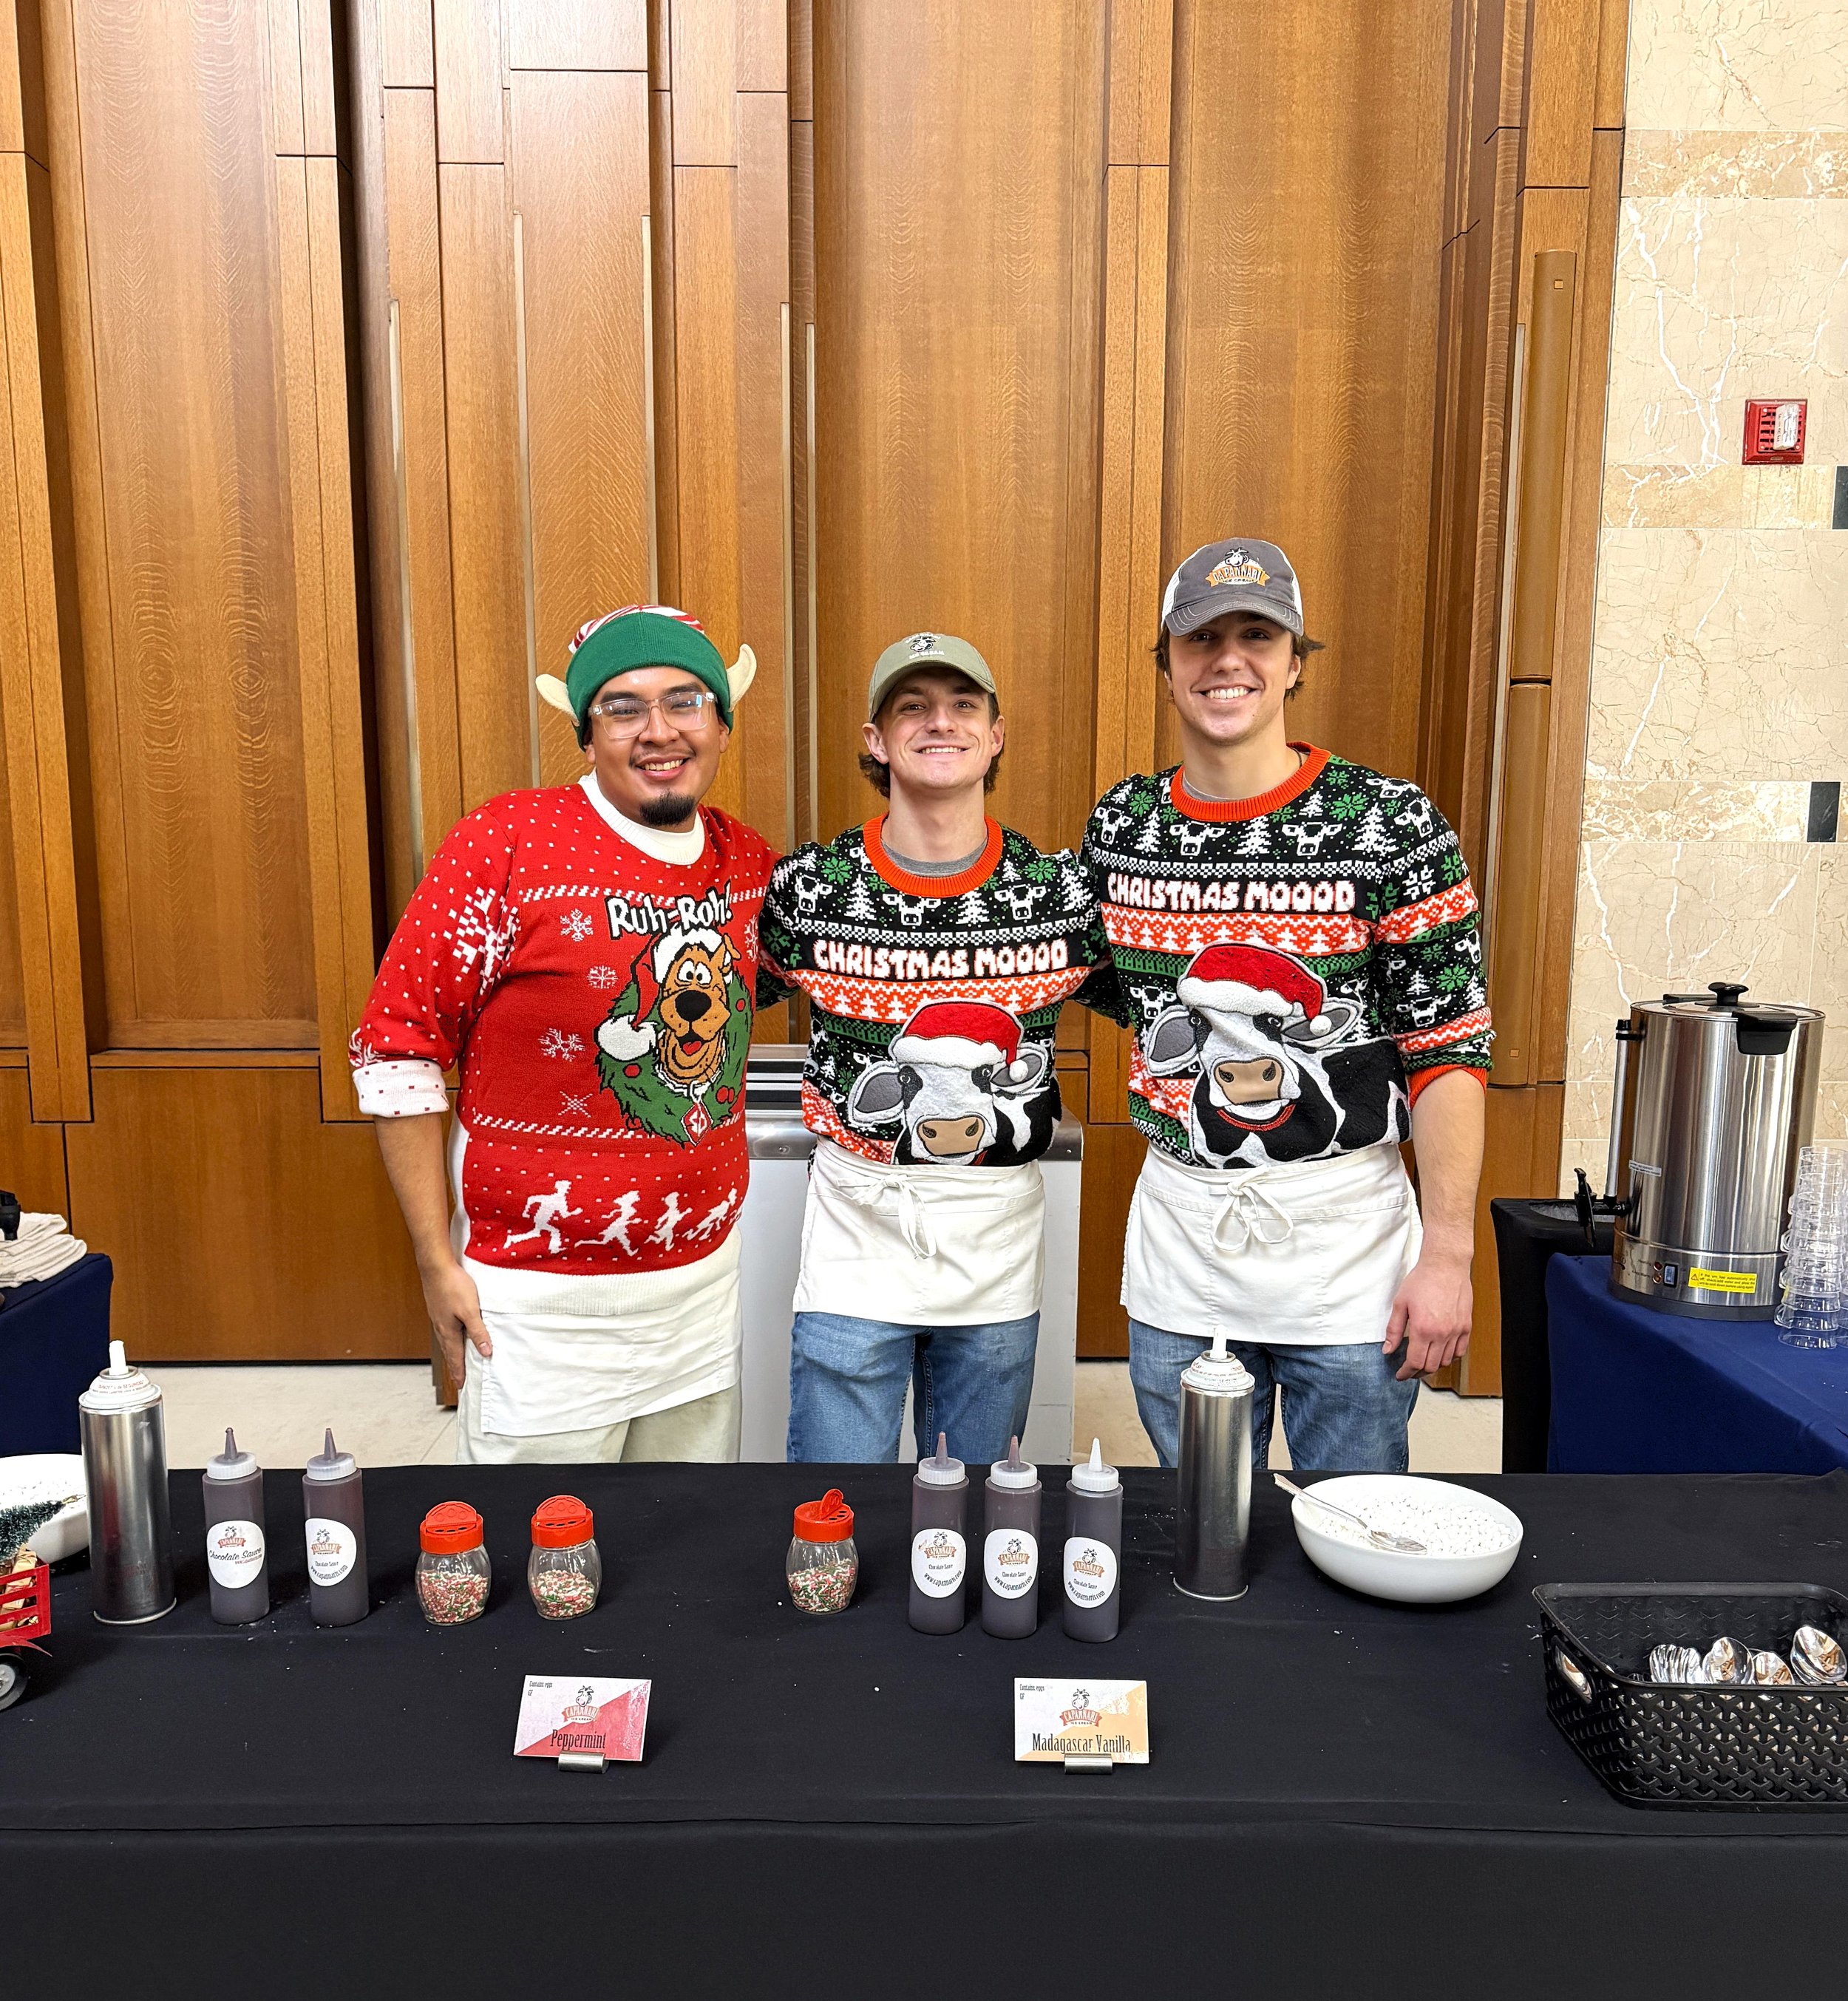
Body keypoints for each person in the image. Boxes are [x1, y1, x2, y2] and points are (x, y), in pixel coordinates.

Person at [1081, 540, 1491, 1472]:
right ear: (1167, 667)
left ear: (1296, 661)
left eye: (1257, 635)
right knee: (1201, 1526)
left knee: (1352, 1517)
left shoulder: (1390, 824)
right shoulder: (1122, 828)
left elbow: (1448, 1048)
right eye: (1201, 638)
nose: (1229, 660)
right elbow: (1112, 991)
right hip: (1185, 1241)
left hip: (1344, 1243)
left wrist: (1448, 1255)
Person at [350, 605, 776, 1464]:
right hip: (538, 1301)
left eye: (685, 701)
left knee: (682, 1544)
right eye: (623, 708)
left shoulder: (746, 862)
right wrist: (437, 1263)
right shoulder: (504, 845)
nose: (658, 731)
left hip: (700, 1287)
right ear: (587, 734)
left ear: (722, 723)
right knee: (547, 1555)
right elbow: (399, 1049)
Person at [759, 633, 1115, 1463]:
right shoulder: (811, 888)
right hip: (856, 1226)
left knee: (983, 1497)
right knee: (833, 1499)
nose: (938, 722)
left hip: (994, 1233)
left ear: (995, 735)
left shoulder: (1056, 894)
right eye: (910, 707)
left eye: (963, 705)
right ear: (875, 740)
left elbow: (1157, 995)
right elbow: (717, 996)